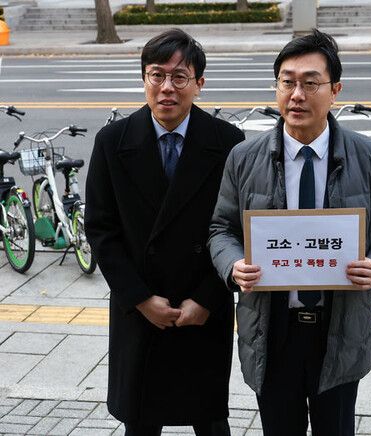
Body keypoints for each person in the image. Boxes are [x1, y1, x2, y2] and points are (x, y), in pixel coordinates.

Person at [208, 29, 371, 436]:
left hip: (340, 327)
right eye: (288, 82)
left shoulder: (369, 157)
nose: (297, 95)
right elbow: (221, 229)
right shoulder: (244, 158)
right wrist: (233, 265)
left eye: (310, 83)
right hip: (270, 328)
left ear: (335, 90)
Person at [85, 29, 244, 436]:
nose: (167, 87)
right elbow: (101, 229)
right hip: (141, 308)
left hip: (202, 308)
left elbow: (239, 228)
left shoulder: (228, 142)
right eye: (157, 75)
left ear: (199, 83)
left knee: (210, 420)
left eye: (180, 76)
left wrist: (207, 298)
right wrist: (140, 299)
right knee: (141, 419)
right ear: (144, 79)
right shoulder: (112, 142)